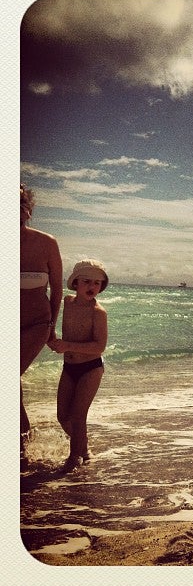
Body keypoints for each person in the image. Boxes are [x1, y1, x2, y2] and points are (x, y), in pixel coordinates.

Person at [48, 260, 109, 473]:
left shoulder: (98, 312)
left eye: (97, 283)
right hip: (69, 367)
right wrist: (50, 337)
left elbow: (99, 347)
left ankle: (74, 459)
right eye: (87, 281)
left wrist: (67, 345)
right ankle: (83, 449)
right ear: (75, 282)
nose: (92, 287)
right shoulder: (67, 302)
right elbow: (51, 319)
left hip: (91, 368)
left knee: (78, 414)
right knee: (63, 416)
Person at [20, 184, 63, 454]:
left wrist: (52, 327)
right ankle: (23, 443)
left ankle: (20, 446)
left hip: (37, 322)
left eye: (21, 203)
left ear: (28, 209)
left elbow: (58, 289)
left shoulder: (47, 243)